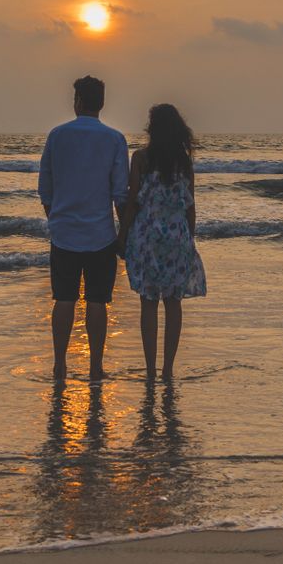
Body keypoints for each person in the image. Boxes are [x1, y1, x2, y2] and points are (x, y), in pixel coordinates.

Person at [37, 75, 129, 382]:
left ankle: (60, 364)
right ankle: (95, 366)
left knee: (63, 299)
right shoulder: (114, 139)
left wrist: (55, 219)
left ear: (77, 102)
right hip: (100, 233)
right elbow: (119, 193)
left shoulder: (57, 135)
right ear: (101, 103)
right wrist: (123, 234)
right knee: (97, 300)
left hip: (64, 232)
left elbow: (46, 189)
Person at [117, 103, 206, 381]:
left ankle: (151, 370)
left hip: (148, 235)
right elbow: (190, 206)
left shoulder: (141, 158)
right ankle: (168, 369)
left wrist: (123, 235)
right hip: (176, 234)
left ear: (153, 129)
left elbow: (132, 201)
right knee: (173, 302)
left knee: (148, 302)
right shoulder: (184, 162)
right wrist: (189, 239)